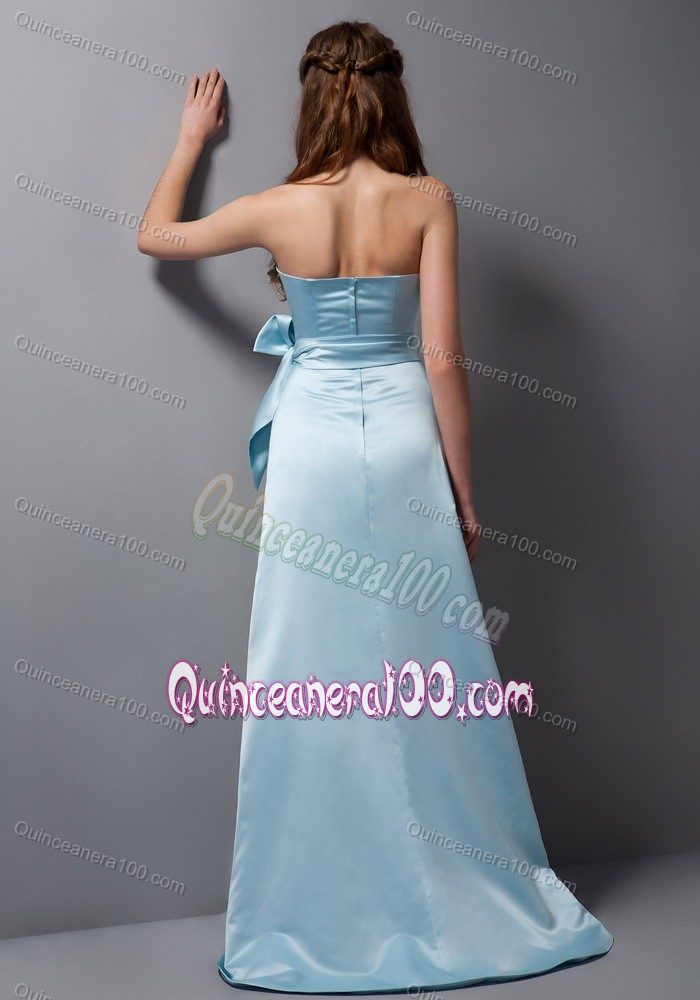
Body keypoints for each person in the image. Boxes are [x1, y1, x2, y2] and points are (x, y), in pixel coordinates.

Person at [138, 19, 613, 994]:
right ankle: (453, 887)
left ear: (312, 97)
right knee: (433, 663)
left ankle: (317, 902)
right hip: (401, 439)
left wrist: (190, 141)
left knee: (305, 663)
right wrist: (464, 493)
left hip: (311, 442)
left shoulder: (279, 206)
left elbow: (158, 239)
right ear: (392, 94)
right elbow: (443, 361)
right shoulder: (427, 200)